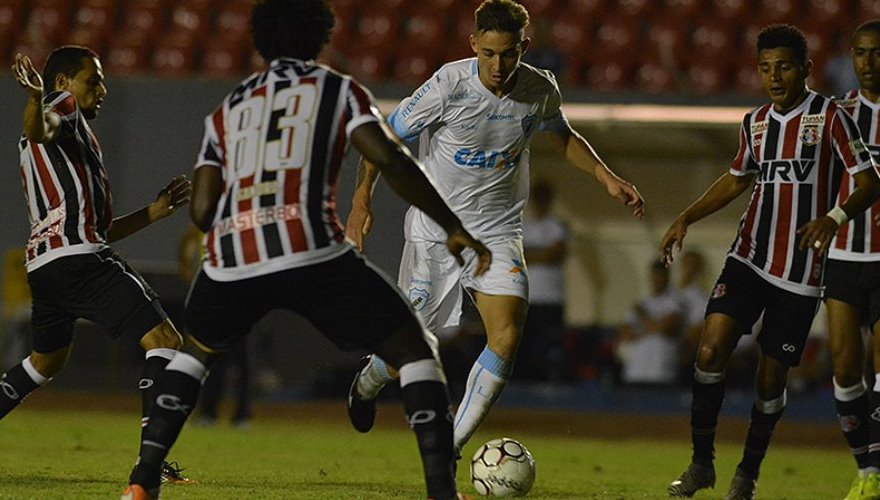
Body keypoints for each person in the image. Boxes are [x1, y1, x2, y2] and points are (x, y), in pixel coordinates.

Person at [122, 1, 490, 499]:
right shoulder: (337, 89)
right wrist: (452, 225)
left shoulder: (228, 109)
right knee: (415, 350)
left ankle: (142, 483)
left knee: (195, 355)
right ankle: (441, 492)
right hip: (311, 250)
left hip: (233, 258)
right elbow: (390, 158)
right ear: (322, 36)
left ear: (260, 40)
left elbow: (203, 210)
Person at [344, 0, 644, 458]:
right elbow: (383, 136)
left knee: (505, 336)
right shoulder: (448, 84)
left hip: (497, 233)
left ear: (524, 47)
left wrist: (606, 177)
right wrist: (361, 197)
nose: (498, 65)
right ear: (473, 45)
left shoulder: (540, 88)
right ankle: (366, 384)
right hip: (435, 231)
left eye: (508, 54)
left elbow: (559, 134)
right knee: (405, 346)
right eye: (488, 54)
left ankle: (449, 446)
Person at [660, 24, 880, 500]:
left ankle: (748, 474)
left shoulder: (831, 118)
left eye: (783, 66)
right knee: (709, 349)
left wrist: (833, 217)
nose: (774, 76)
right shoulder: (754, 122)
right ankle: (702, 463)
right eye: (765, 68)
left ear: (805, 69)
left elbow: (869, 182)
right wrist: (686, 217)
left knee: (769, 378)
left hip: (800, 273)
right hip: (750, 257)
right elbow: (737, 178)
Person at [7, 47, 193, 483]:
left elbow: (98, 227)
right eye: (93, 80)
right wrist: (36, 99)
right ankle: (151, 462)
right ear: (62, 83)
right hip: (78, 261)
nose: (102, 89)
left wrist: (151, 212)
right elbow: (40, 127)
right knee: (165, 340)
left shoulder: (75, 140)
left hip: (46, 266)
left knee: (43, 363)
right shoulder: (60, 107)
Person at [825, 20, 880, 500]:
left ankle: (877, 468)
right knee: (845, 366)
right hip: (842, 255)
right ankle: (865, 467)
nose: (868, 62)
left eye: (877, 53)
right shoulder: (837, 115)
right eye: (860, 53)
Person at [178, 223, 252, 428]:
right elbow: (186, 253)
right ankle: (210, 413)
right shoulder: (199, 231)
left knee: (238, 363)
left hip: (235, 303)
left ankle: (240, 415)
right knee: (212, 361)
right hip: (212, 302)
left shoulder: (236, 228)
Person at [516, 179, 568, 382]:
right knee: (526, 346)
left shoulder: (556, 227)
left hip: (551, 298)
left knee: (549, 347)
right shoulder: (524, 226)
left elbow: (555, 253)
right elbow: (517, 255)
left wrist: (531, 255)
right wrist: (542, 254)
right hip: (527, 297)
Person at [614, 259, 683, 386]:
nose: (657, 279)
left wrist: (643, 319)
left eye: (660, 276)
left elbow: (667, 328)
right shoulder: (642, 303)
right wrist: (653, 326)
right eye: (654, 275)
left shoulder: (674, 301)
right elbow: (624, 333)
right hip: (635, 371)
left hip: (660, 371)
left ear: (667, 277)